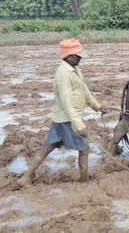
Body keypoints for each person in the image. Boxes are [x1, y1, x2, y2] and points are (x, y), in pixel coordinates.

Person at [17, 38, 109, 187]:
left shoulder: (74, 70)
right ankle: (84, 183)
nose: (80, 57)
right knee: (84, 150)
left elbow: (84, 91)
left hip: (61, 119)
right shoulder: (63, 74)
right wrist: (79, 125)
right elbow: (66, 102)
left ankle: (26, 177)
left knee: (47, 147)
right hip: (68, 120)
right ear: (69, 56)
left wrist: (98, 107)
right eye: (77, 55)